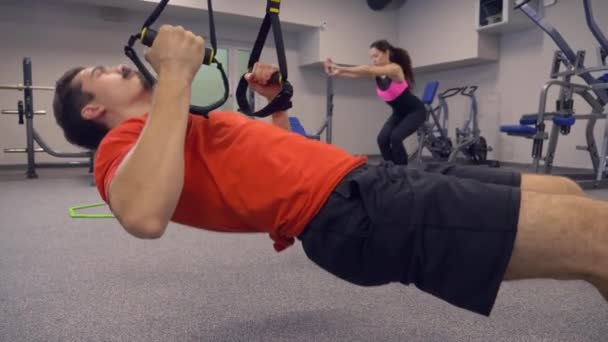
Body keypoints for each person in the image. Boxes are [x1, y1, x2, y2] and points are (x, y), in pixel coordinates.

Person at [52, 25, 608, 317]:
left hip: (363, 182)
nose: (120, 65)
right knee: (595, 237)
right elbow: (144, 215)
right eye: (100, 72)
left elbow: (279, 158)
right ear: (92, 110)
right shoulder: (120, 146)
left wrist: (274, 104)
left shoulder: (181, 124)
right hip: (354, 211)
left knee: (562, 189)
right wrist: (173, 73)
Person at [324, 40, 426, 166]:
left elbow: (367, 69)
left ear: (387, 53)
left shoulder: (395, 69)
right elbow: (360, 73)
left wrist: (339, 66)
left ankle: (402, 172)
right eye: (371, 57)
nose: (374, 60)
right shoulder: (378, 73)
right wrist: (339, 73)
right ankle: (390, 169)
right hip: (399, 113)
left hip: (415, 111)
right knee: (382, 139)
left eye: (376, 56)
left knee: (396, 138)